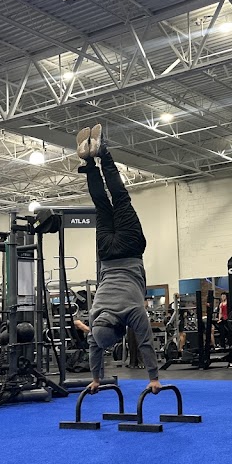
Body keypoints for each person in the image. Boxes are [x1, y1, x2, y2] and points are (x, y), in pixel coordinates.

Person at [76, 124, 161, 394]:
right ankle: (90, 163)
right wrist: (96, 378)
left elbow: (145, 343)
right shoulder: (95, 315)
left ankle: (103, 152)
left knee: (121, 198)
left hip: (130, 249)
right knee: (102, 205)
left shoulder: (133, 311)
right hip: (105, 254)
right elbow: (94, 346)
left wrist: (153, 378)